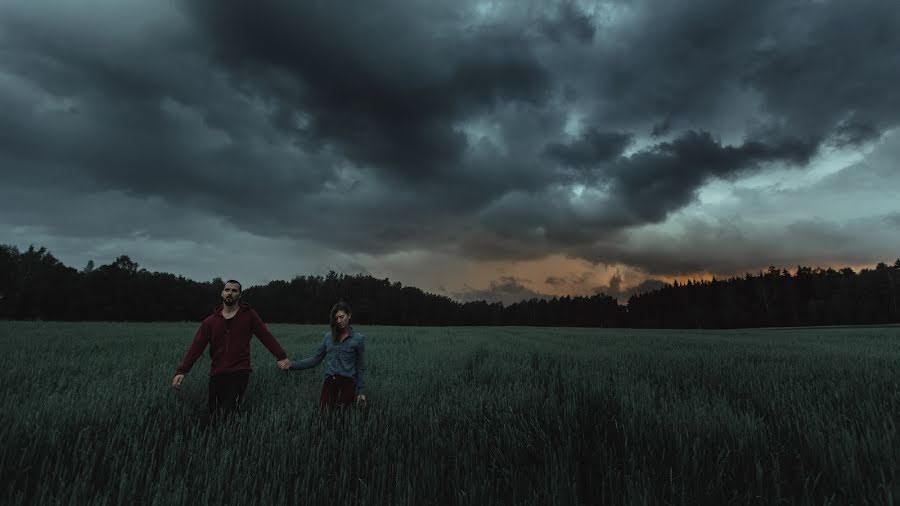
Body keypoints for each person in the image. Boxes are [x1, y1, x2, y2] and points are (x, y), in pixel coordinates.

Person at [171, 279, 291, 420]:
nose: (230, 293)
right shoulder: (210, 322)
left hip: (239, 371)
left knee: (228, 411)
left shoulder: (249, 315)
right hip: (217, 372)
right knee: (213, 412)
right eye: (227, 290)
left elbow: (266, 336)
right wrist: (182, 371)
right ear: (222, 293)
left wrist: (281, 356)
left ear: (239, 295)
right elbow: (196, 347)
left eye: (234, 291)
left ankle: (231, 434)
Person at [286, 301, 366, 409]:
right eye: (336, 318)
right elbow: (316, 359)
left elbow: (360, 367)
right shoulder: (328, 337)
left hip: (348, 384)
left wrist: (361, 392)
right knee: (323, 416)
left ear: (349, 315)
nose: (339, 321)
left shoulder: (358, 339)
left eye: (341, 317)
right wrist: (292, 365)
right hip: (330, 382)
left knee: (342, 418)